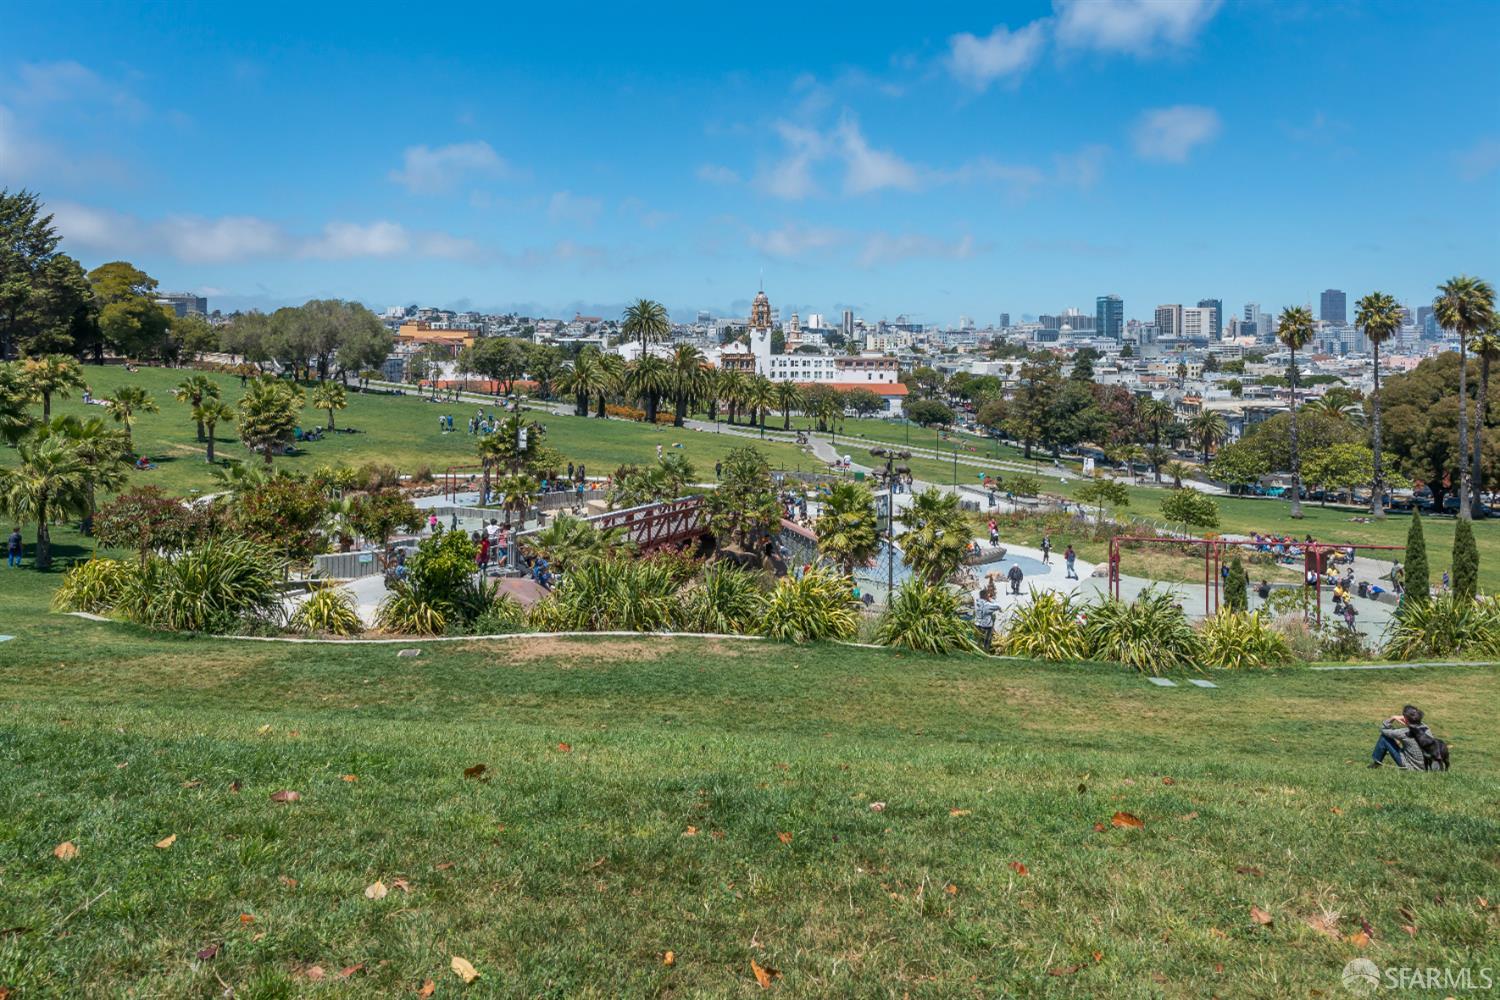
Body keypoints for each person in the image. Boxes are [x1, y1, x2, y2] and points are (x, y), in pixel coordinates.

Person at [1369, 705, 1429, 770]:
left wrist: (1393, 718)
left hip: (1411, 767)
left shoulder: (1404, 733)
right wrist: (1408, 721)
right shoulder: (1426, 728)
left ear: (1405, 718)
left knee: (1384, 738)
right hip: (1427, 767)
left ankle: (1376, 762)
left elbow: (1383, 729)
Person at [973, 584, 1002, 652]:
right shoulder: (987, 605)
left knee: (978, 641)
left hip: (977, 624)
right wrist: (990, 599)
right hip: (986, 626)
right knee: (987, 641)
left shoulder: (976, 603)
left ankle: (977, 651)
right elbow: (998, 605)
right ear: (986, 596)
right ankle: (986, 651)